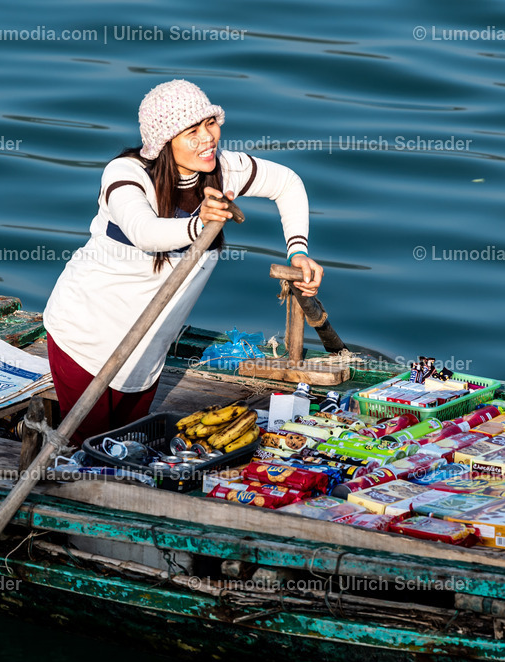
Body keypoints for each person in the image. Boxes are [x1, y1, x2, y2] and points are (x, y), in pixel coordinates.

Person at [43, 79, 323, 445]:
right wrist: (199, 223)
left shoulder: (224, 169)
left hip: (147, 348)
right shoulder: (126, 174)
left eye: (210, 123)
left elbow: (287, 183)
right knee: (91, 451)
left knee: (128, 447)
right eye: (191, 131)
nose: (207, 137)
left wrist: (298, 250)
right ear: (165, 142)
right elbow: (145, 231)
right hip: (84, 334)